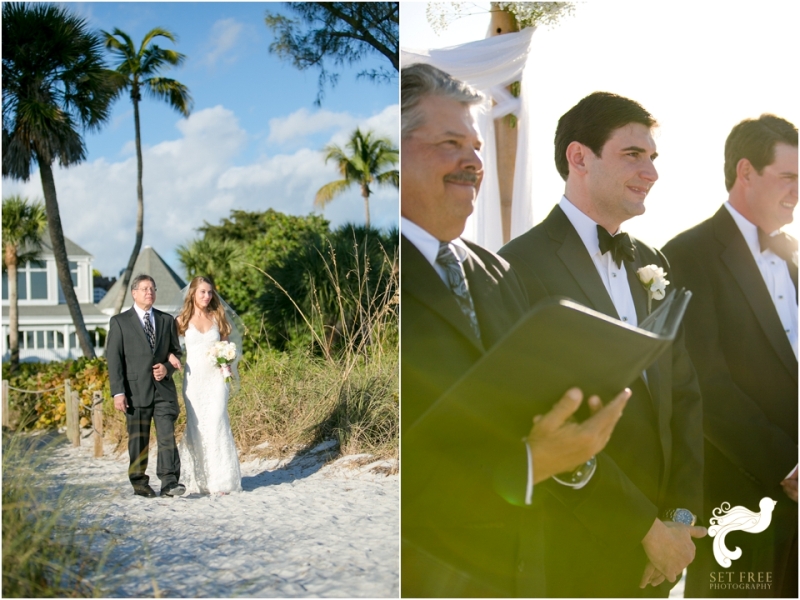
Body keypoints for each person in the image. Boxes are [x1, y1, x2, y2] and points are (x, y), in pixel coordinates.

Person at [400, 63, 631, 598]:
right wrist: (529, 464)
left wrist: (571, 450)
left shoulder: (499, 272)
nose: (474, 161)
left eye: (477, 146)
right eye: (451, 142)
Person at [499, 92, 707, 597]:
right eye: (633, 155)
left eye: (653, 158)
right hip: (573, 549)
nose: (651, 172)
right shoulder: (517, 267)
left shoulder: (652, 262)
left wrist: (678, 522)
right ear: (579, 158)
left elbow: (684, 396)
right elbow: (542, 416)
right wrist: (643, 529)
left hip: (662, 553)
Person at [662, 115, 798, 598]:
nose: (797, 193)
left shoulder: (794, 255)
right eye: (788, 178)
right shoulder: (687, 254)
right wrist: (787, 463)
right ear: (745, 171)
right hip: (740, 505)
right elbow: (703, 383)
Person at [107, 273, 185, 498]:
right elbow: (114, 359)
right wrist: (118, 392)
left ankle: (169, 482)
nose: (149, 292)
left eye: (152, 288)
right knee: (138, 439)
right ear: (134, 293)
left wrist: (166, 368)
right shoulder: (120, 322)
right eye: (144, 288)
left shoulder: (166, 320)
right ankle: (139, 482)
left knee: (167, 436)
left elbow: (176, 352)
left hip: (163, 391)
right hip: (134, 392)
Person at [175, 276, 242, 495]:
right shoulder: (181, 320)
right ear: (193, 293)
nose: (207, 296)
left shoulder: (218, 317)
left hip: (216, 379)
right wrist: (170, 358)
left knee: (216, 422)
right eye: (202, 292)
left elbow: (226, 346)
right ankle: (201, 480)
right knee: (198, 426)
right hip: (194, 380)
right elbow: (168, 345)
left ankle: (220, 481)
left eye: (210, 292)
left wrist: (227, 361)